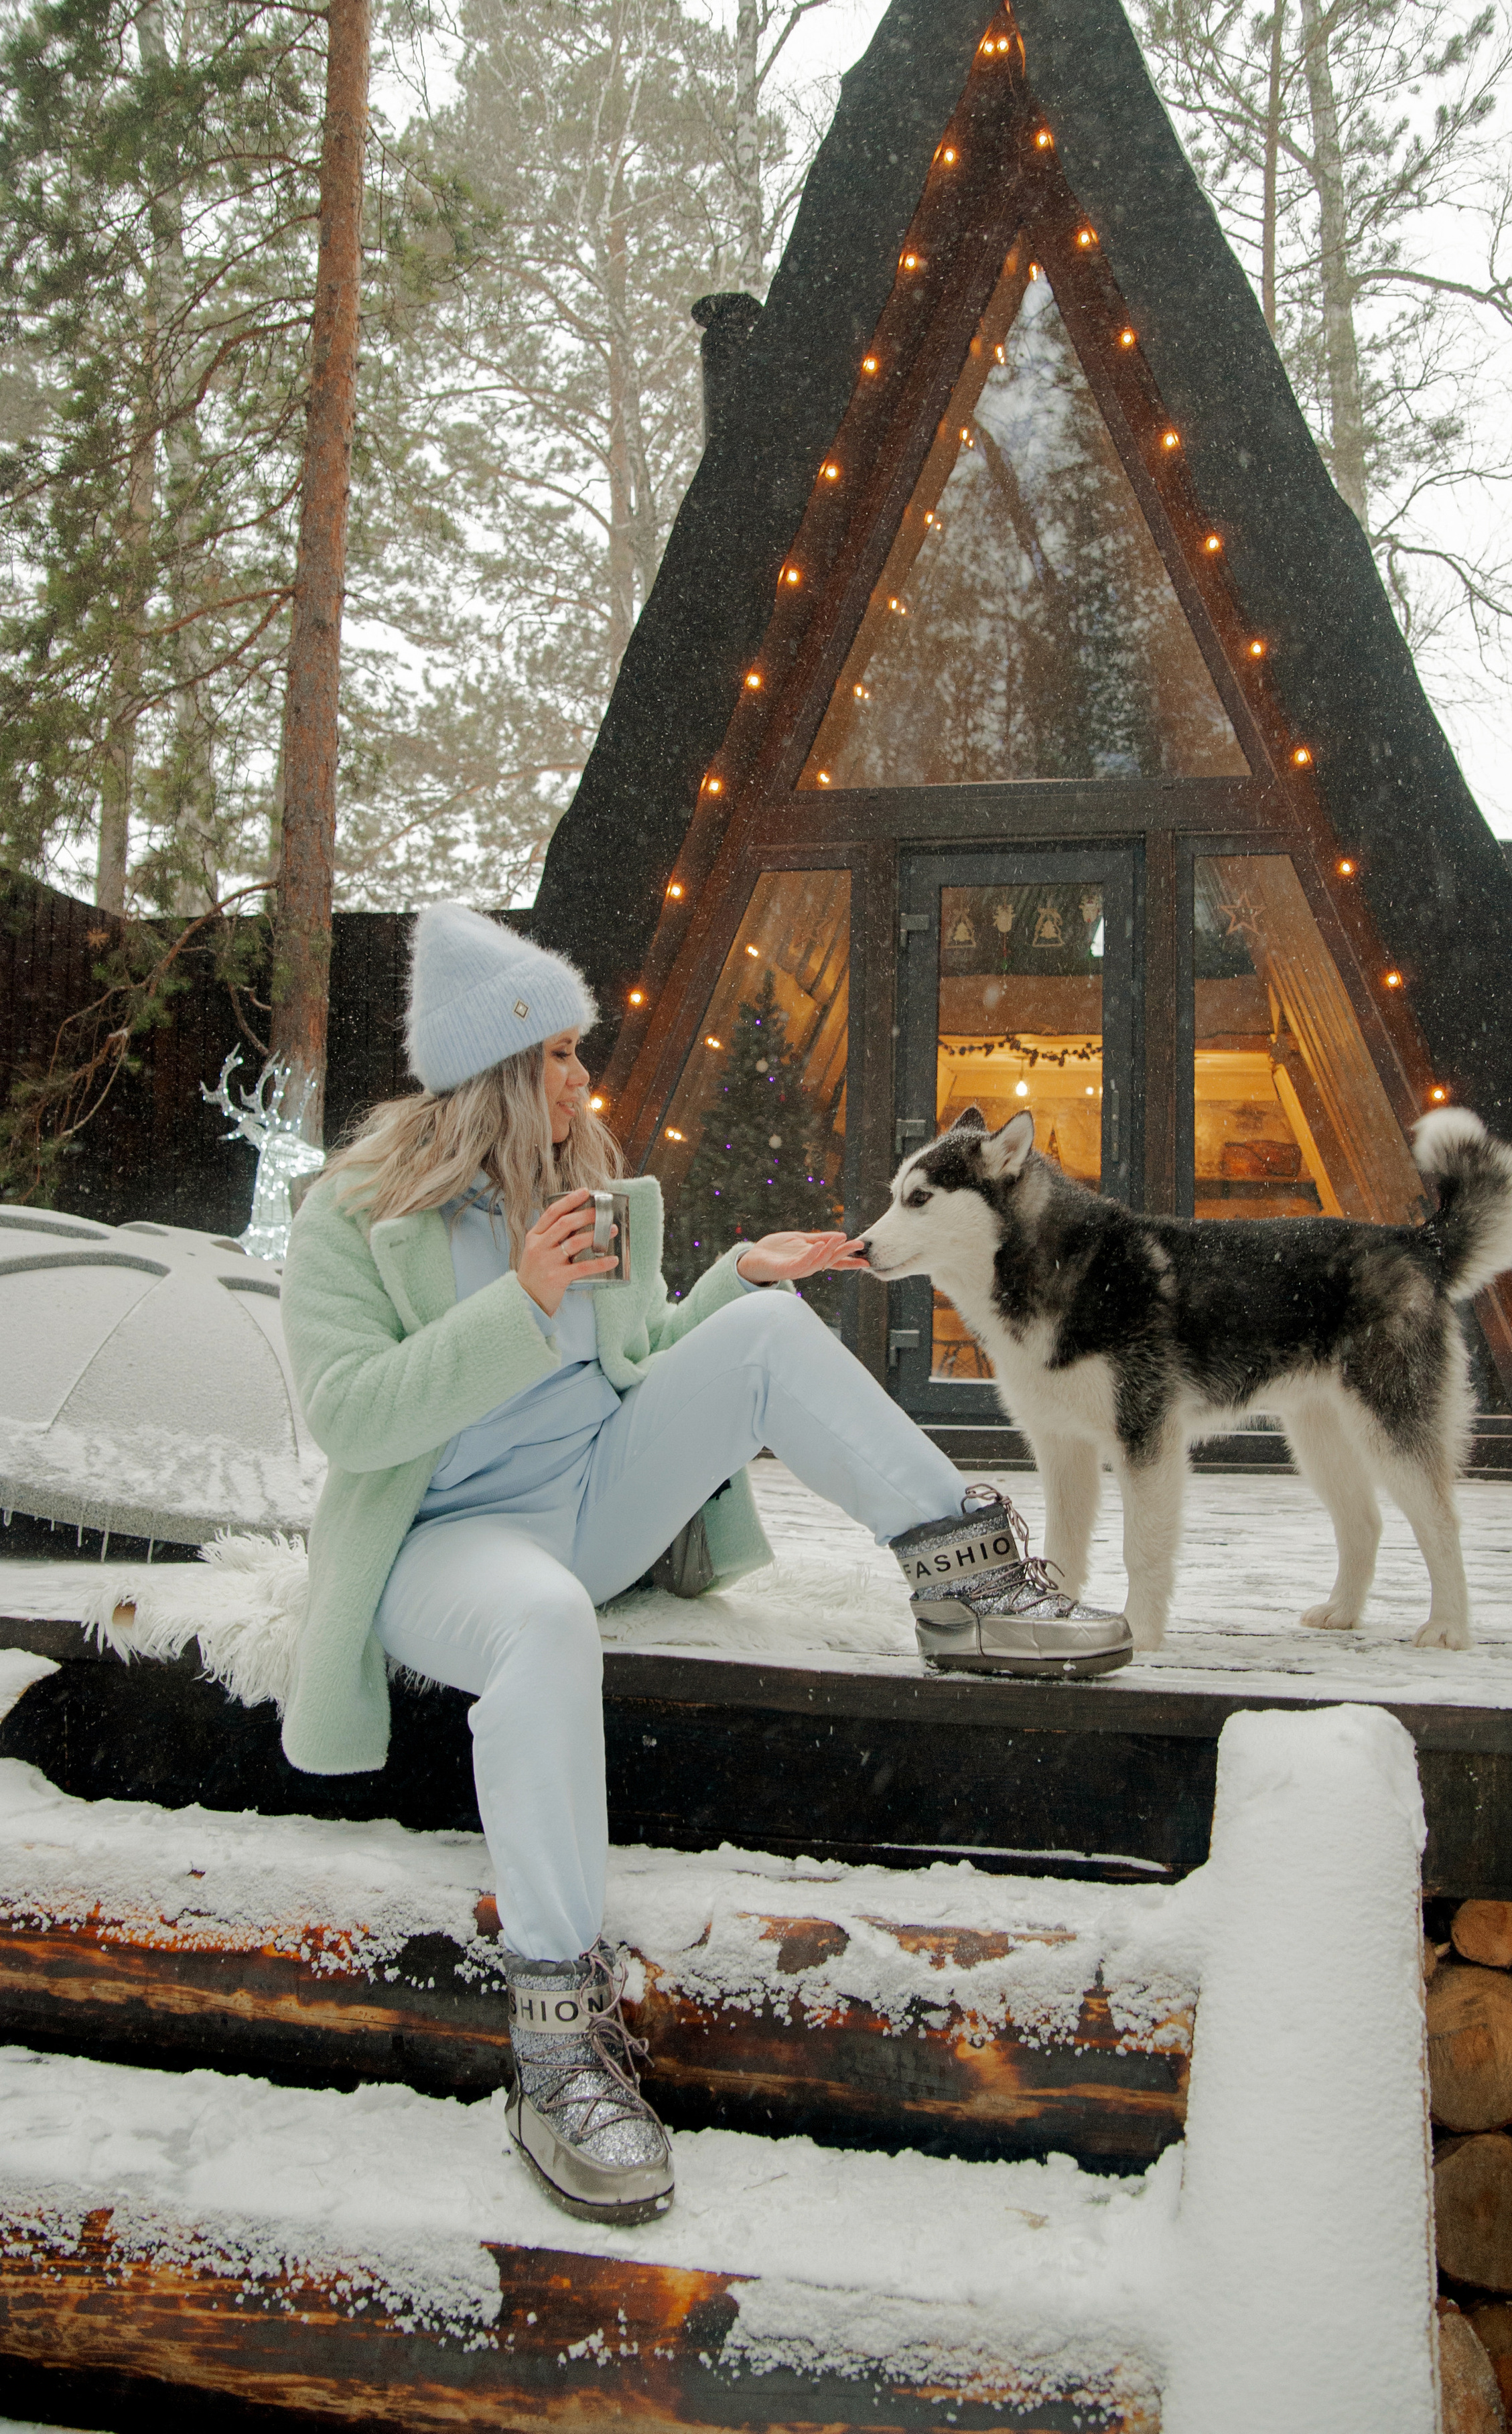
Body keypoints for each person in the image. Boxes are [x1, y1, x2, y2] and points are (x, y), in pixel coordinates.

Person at [280, 902, 1129, 2226]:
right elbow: (349, 1419)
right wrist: (520, 1303)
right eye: (556, 1053)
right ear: (495, 1070)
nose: (579, 1076)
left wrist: (737, 1277)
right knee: (547, 1624)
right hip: (450, 1540)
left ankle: (961, 1580)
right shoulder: (351, 1220)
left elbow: (636, 1356)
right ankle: (557, 2045)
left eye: (577, 1050)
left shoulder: (592, 1194)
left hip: (592, 1491)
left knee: (769, 1333)